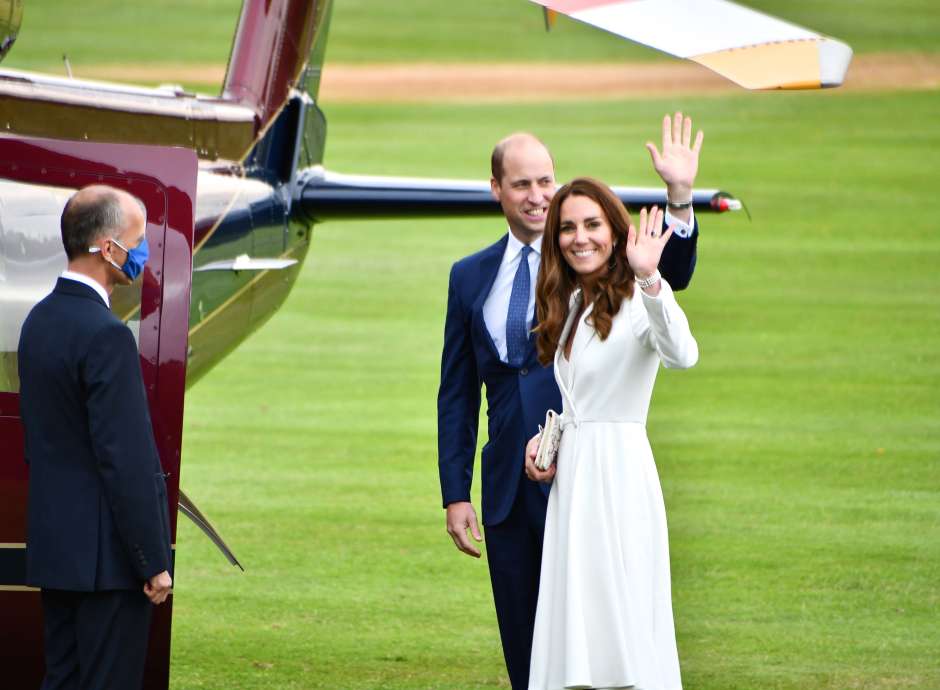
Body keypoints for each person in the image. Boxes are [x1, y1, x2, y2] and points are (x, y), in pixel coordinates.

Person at [438, 113, 703, 689]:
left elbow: (671, 301)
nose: (538, 198)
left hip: (607, 479)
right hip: (527, 474)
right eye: (523, 185)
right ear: (497, 191)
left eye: (545, 183)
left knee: (614, 628)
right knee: (547, 643)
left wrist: (679, 199)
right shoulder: (511, 286)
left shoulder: (625, 285)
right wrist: (457, 489)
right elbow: (457, 392)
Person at [525, 179, 699, 690]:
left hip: (618, 480)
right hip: (574, 479)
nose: (580, 238)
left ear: (615, 230)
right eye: (568, 228)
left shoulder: (638, 301)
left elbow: (682, 354)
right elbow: (579, 400)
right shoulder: (573, 302)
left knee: (619, 616)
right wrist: (546, 443)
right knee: (577, 621)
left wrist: (651, 282)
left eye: (592, 224)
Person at [17, 185, 173, 690]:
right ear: (108, 248)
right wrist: (153, 560)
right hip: (107, 563)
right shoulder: (106, 335)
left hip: (57, 552)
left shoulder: (38, 321)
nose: (143, 251)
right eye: (137, 240)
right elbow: (123, 460)